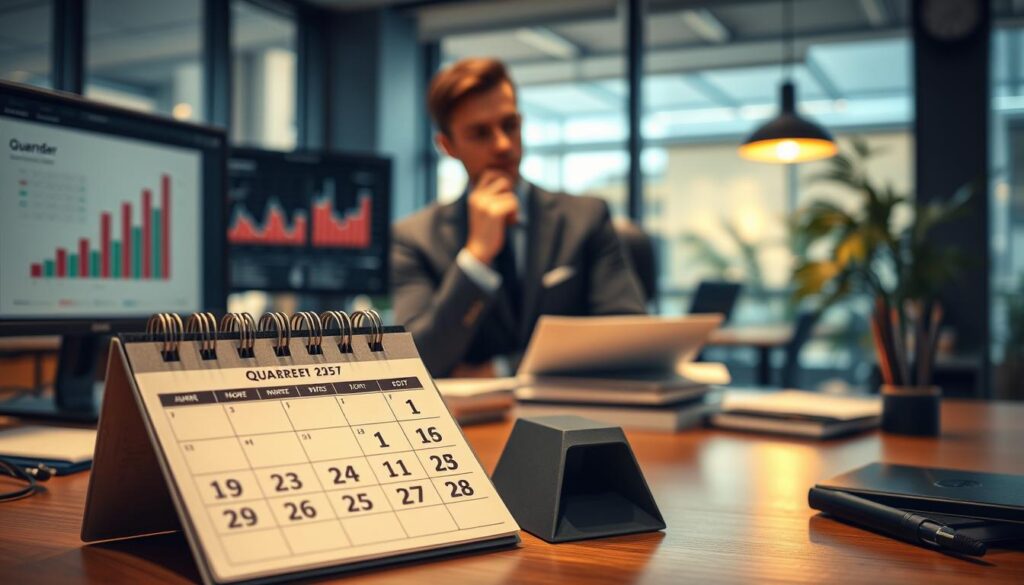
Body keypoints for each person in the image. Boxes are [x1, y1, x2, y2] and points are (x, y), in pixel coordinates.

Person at [391, 58, 646, 377]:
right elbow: (418, 362)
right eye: (480, 133)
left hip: (572, 417)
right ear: (447, 146)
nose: (503, 144)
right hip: (473, 425)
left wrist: (501, 368)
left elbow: (628, 340)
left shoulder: (586, 218)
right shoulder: (414, 238)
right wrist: (476, 259)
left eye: (510, 125)